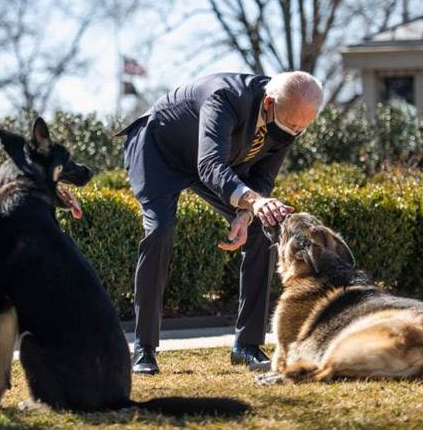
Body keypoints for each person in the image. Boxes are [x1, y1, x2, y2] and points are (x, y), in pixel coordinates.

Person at [117, 71, 323, 374]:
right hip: (158, 151)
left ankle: (246, 345)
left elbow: (263, 177)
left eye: (302, 127)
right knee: (159, 230)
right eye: (290, 124)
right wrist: (253, 201)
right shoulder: (224, 98)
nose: (294, 132)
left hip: (211, 163)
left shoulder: (290, 115)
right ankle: (144, 349)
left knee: (263, 230)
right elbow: (210, 165)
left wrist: (246, 214)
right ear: (268, 102)